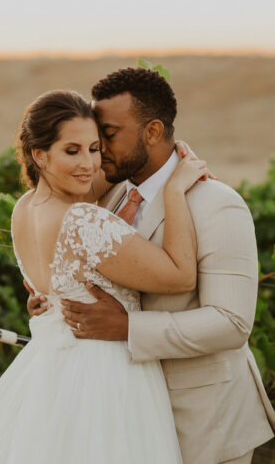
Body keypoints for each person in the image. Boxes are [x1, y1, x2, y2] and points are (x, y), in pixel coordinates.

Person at [27, 68, 275, 464]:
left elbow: (231, 322)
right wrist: (54, 299)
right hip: (128, 415)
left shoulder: (216, 204)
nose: (98, 150)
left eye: (107, 135)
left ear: (153, 132)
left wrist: (126, 329)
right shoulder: (110, 196)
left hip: (203, 421)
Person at [0, 89, 210, 463]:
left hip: (49, 369)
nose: (89, 163)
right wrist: (174, 188)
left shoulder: (24, 209)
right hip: (105, 376)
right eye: (72, 151)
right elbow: (180, 275)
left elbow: (97, 183)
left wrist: (157, 156)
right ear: (39, 154)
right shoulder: (82, 220)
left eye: (94, 148)